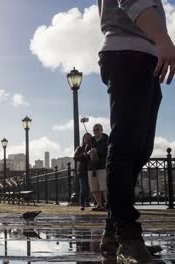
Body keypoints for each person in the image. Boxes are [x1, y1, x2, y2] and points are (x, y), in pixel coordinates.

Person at [98, 0, 169, 261]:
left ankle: (114, 233)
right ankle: (128, 238)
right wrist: (162, 38)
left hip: (144, 54)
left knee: (140, 148)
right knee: (126, 145)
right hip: (129, 51)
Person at [89, 124, 108, 212]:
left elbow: (109, 151)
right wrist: (89, 152)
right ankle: (99, 205)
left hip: (102, 166)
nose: (96, 131)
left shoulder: (106, 139)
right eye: (94, 130)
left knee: (104, 187)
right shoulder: (91, 140)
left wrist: (97, 151)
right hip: (92, 168)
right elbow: (86, 150)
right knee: (94, 188)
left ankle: (108, 206)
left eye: (98, 129)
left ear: (102, 130)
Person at [74, 133, 93, 211]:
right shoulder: (79, 148)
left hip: (91, 170)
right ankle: (82, 204)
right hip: (82, 171)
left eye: (89, 138)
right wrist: (83, 155)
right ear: (83, 139)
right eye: (85, 137)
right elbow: (75, 157)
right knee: (84, 188)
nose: (87, 139)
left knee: (89, 188)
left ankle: (87, 202)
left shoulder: (92, 147)